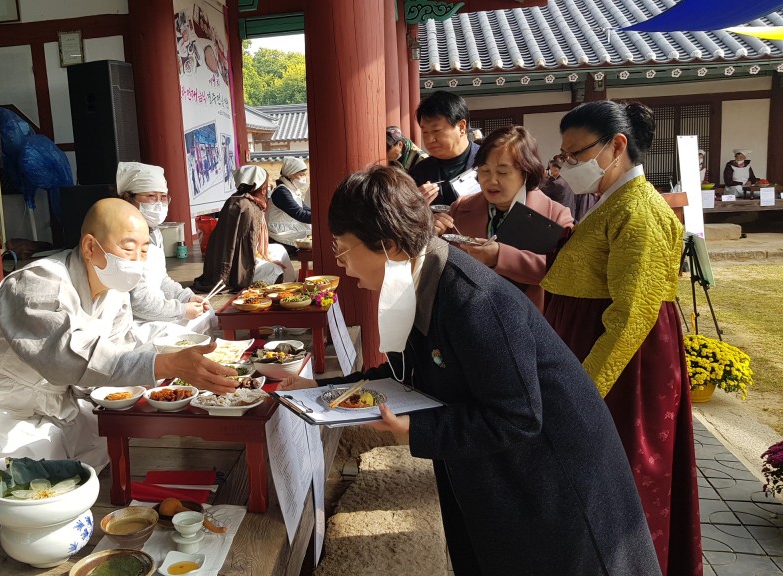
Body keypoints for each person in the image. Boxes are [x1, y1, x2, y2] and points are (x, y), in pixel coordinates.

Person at [281, 165, 660, 576]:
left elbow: (517, 417)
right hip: (500, 474)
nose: (344, 267)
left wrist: (417, 430)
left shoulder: (474, 301)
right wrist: (317, 389)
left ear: (388, 245)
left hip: (553, 484)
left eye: (343, 250)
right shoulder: (411, 279)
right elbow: (405, 375)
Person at [0, 199, 239, 525]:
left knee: (96, 434)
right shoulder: (37, 284)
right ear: (90, 247)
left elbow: (119, 346)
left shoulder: (114, 289)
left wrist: (159, 364)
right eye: (127, 248)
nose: (136, 260)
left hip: (48, 391)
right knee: (30, 483)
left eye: (143, 250)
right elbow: (68, 356)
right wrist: (165, 365)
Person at [542, 100, 702, 575]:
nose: (569, 166)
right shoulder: (610, 201)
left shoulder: (641, 210)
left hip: (624, 366)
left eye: (578, 154)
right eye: (565, 156)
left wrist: (585, 392)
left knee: (626, 474)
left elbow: (633, 315)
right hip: (595, 347)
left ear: (617, 145)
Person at [433, 126, 573, 311]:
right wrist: (432, 235)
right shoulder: (460, 208)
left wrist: (500, 257)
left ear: (526, 172)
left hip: (529, 321)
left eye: (503, 172)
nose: (491, 180)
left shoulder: (556, 215)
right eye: (484, 170)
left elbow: (565, 273)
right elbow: (441, 264)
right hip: (469, 317)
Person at [116, 162, 212, 337]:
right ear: (127, 198)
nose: (159, 203)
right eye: (151, 196)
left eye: (163, 197)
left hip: (158, 310)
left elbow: (161, 279)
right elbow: (137, 300)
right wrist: (181, 310)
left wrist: (186, 297)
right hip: (133, 321)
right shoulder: (121, 236)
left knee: (206, 315)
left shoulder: (155, 231)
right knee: (177, 334)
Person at [193, 165, 297, 292]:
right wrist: (266, 259)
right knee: (274, 269)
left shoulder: (240, 199)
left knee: (279, 249)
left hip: (244, 252)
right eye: (266, 184)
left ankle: (291, 284)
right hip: (236, 265)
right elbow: (246, 247)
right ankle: (284, 288)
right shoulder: (246, 207)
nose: (267, 187)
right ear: (261, 187)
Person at [407, 91, 479, 207]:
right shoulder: (417, 174)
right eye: (424, 132)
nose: (429, 139)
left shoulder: (488, 161)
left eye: (436, 130)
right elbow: (403, 217)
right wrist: (419, 209)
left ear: (461, 127)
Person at [266, 156, 313, 253]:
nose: (304, 178)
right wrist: (321, 219)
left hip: (289, 227)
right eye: (301, 175)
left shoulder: (292, 190)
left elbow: (305, 209)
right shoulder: (282, 192)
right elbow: (299, 214)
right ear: (290, 175)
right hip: (279, 232)